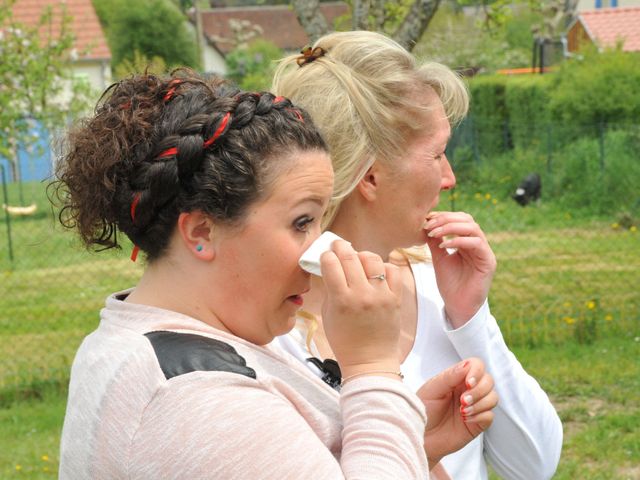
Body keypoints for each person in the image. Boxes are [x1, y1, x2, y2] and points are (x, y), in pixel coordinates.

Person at [51, 70, 491, 479]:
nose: (326, 249)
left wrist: (410, 440)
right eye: (302, 222)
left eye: (322, 221)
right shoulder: (197, 400)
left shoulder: (163, 345)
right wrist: (374, 369)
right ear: (202, 232)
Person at [272, 30, 563, 479]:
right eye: (438, 155)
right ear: (370, 176)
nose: (450, 178)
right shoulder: (277, 331)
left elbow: (534, 464)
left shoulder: (431, 281)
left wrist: (471, 318)